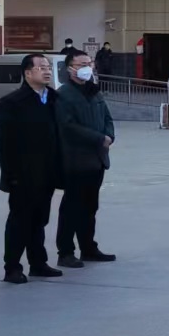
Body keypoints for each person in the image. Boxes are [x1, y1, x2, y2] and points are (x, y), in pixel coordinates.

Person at [0, 53, 64, 286]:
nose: (47, 71)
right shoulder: (12, 103)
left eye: (48, 67)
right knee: (19, 221)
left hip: (47, 172)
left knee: (39, 219)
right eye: (41, 67)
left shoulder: (54, 99)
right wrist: (11, 174)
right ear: (27, 73)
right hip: (23, 174)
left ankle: (38, 263)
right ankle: (12, 267)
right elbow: (4, 143)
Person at [55, 51, 117, 269]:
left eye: (89, 63)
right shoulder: (63, 95)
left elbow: (107, 117)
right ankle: (65, 252)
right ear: (70, 68)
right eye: (82, 64)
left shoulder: (94, 92)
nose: (87, 67)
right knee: (72, 207)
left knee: (90, 207)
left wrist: (109, 135)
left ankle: (88, 248)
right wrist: (99, 138)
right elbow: (68, 126)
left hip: (97, 159)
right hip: (76, 159)